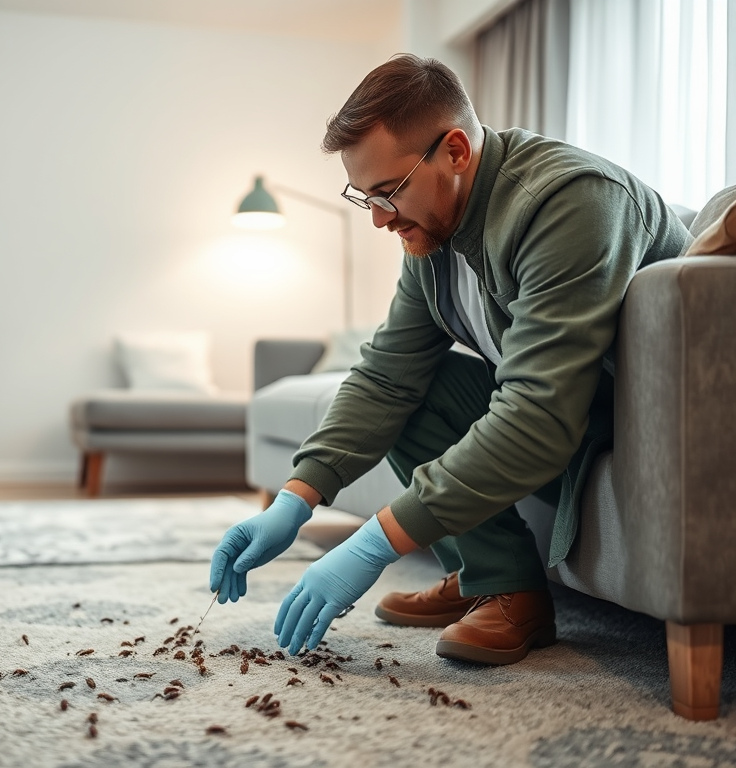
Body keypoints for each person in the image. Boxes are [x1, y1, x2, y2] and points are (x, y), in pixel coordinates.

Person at [209, 53, 691, 665]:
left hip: (614, 420)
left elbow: (540, 416)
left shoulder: (571, 202)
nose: (381, 220)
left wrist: (372, 544)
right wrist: (295, 497)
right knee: (415, 386)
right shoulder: (432, 232)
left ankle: (502, 590)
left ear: (456, 152)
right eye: (365, 198)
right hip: (563, 410)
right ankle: (495, 579)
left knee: (481, 405)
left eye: (388, 193)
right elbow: (387, 375)